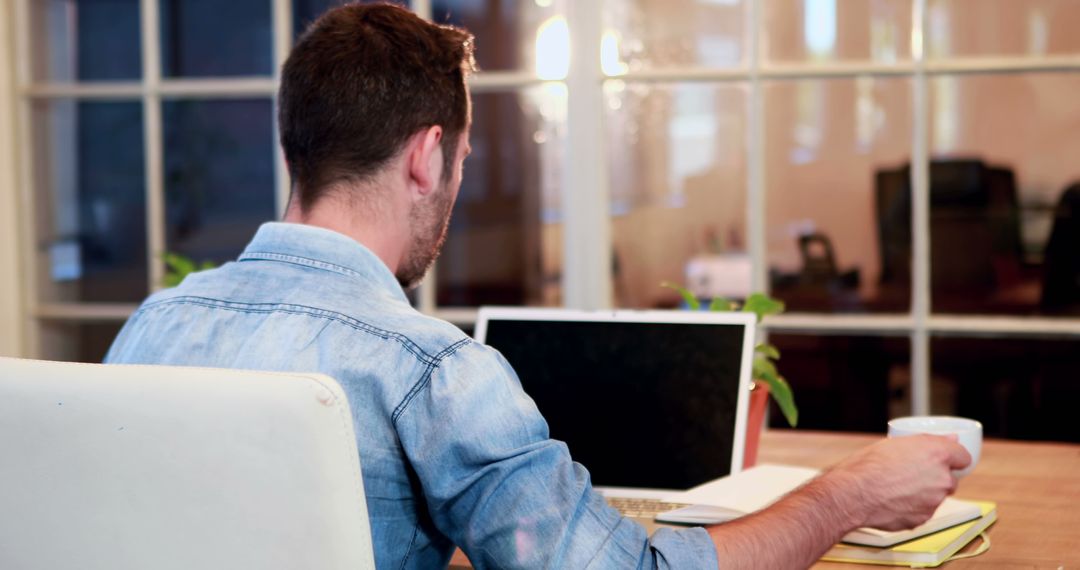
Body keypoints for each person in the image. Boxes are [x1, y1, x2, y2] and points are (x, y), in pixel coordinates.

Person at [105, 4, 971, 568]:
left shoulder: (152, 330)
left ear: (299, 146)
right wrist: (851, 491)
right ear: (427, 155)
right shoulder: (429, 373)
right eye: (462, 162)